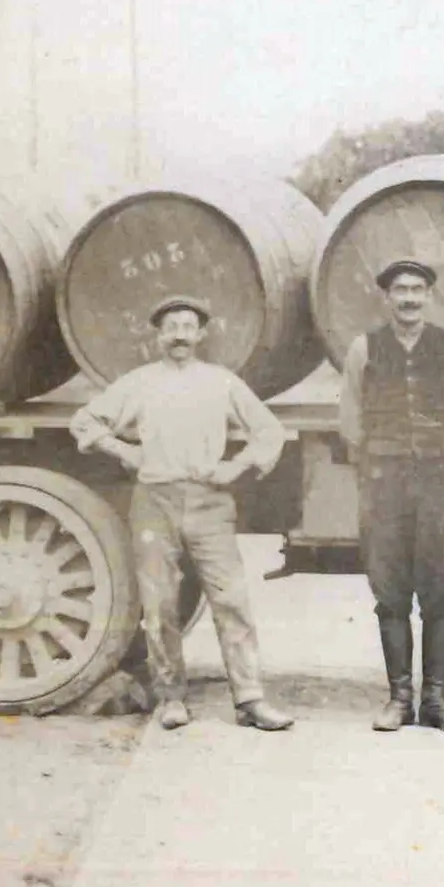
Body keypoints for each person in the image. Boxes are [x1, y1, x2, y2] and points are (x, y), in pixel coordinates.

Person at [70, 295, 294, 732]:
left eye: (188, 327)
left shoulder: (221, 382)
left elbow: (269, 430)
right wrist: (124, 451)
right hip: (155, 501)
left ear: (201, 334)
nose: (179, 335)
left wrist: (236, 466)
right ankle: (170, 697)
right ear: (157, 335)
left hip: (210, 502)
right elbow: (85, 422)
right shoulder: (138, 383)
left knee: (231, 599)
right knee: (160, 604)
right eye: (170, 327)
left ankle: (250, 699)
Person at [338, 258, 444, 732]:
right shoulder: (364, 349)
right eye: (400, 290)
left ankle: (437, 702)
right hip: (384, 481)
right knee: (389, 589)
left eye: (417, 289)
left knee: (438, 588)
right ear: (387, 297)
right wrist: (380, 464)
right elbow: (349, 419)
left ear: (428, 296)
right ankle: (399, 699)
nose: (408, 298)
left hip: (439, 479)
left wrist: (439, 459)